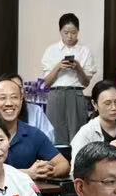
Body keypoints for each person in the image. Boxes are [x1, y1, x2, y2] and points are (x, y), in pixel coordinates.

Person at [0, 74, 68, 180]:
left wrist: (46, 172)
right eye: (2, 98)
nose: (9, 103)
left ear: (21, 100)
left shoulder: (33, 134)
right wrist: (28, 173)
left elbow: (63, 164)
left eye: (14, 97)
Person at [40, 13, 97, 147]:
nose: (70, 36)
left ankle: (76, 159)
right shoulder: (51, 50)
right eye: (66, 32)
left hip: (76, 93)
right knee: (55, 135)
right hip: (55, 94)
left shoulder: (85, 51)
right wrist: (58, 67)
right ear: (60, 31)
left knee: (78, 136)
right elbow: (46, 83)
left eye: (73, 32)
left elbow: (86, 83)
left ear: (78, 31)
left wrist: (78, 68)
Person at [70, 80, 116, 160]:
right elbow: (76, 165)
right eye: (107, 103)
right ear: (94, 104)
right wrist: (106, 152)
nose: (114, 107)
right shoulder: (86, 133)